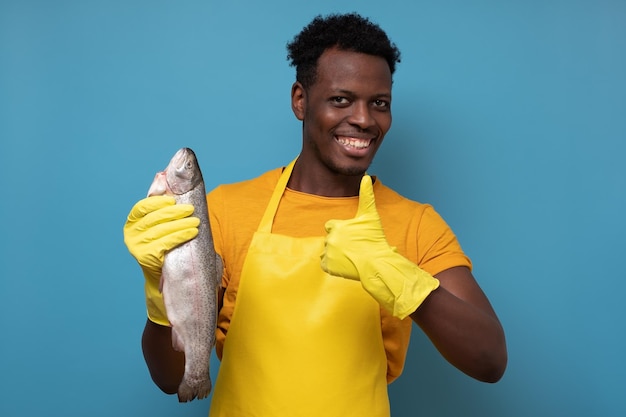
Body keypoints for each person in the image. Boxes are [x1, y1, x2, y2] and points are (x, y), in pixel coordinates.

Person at [123, 12, 507, 417]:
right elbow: (172, 378)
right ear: (300, 100)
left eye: (379, 103)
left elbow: (490, 359)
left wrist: (399, 279)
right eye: (341, 99)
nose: (363, 119)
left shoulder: (414, 224)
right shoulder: (227, 210)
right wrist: (158, 290)